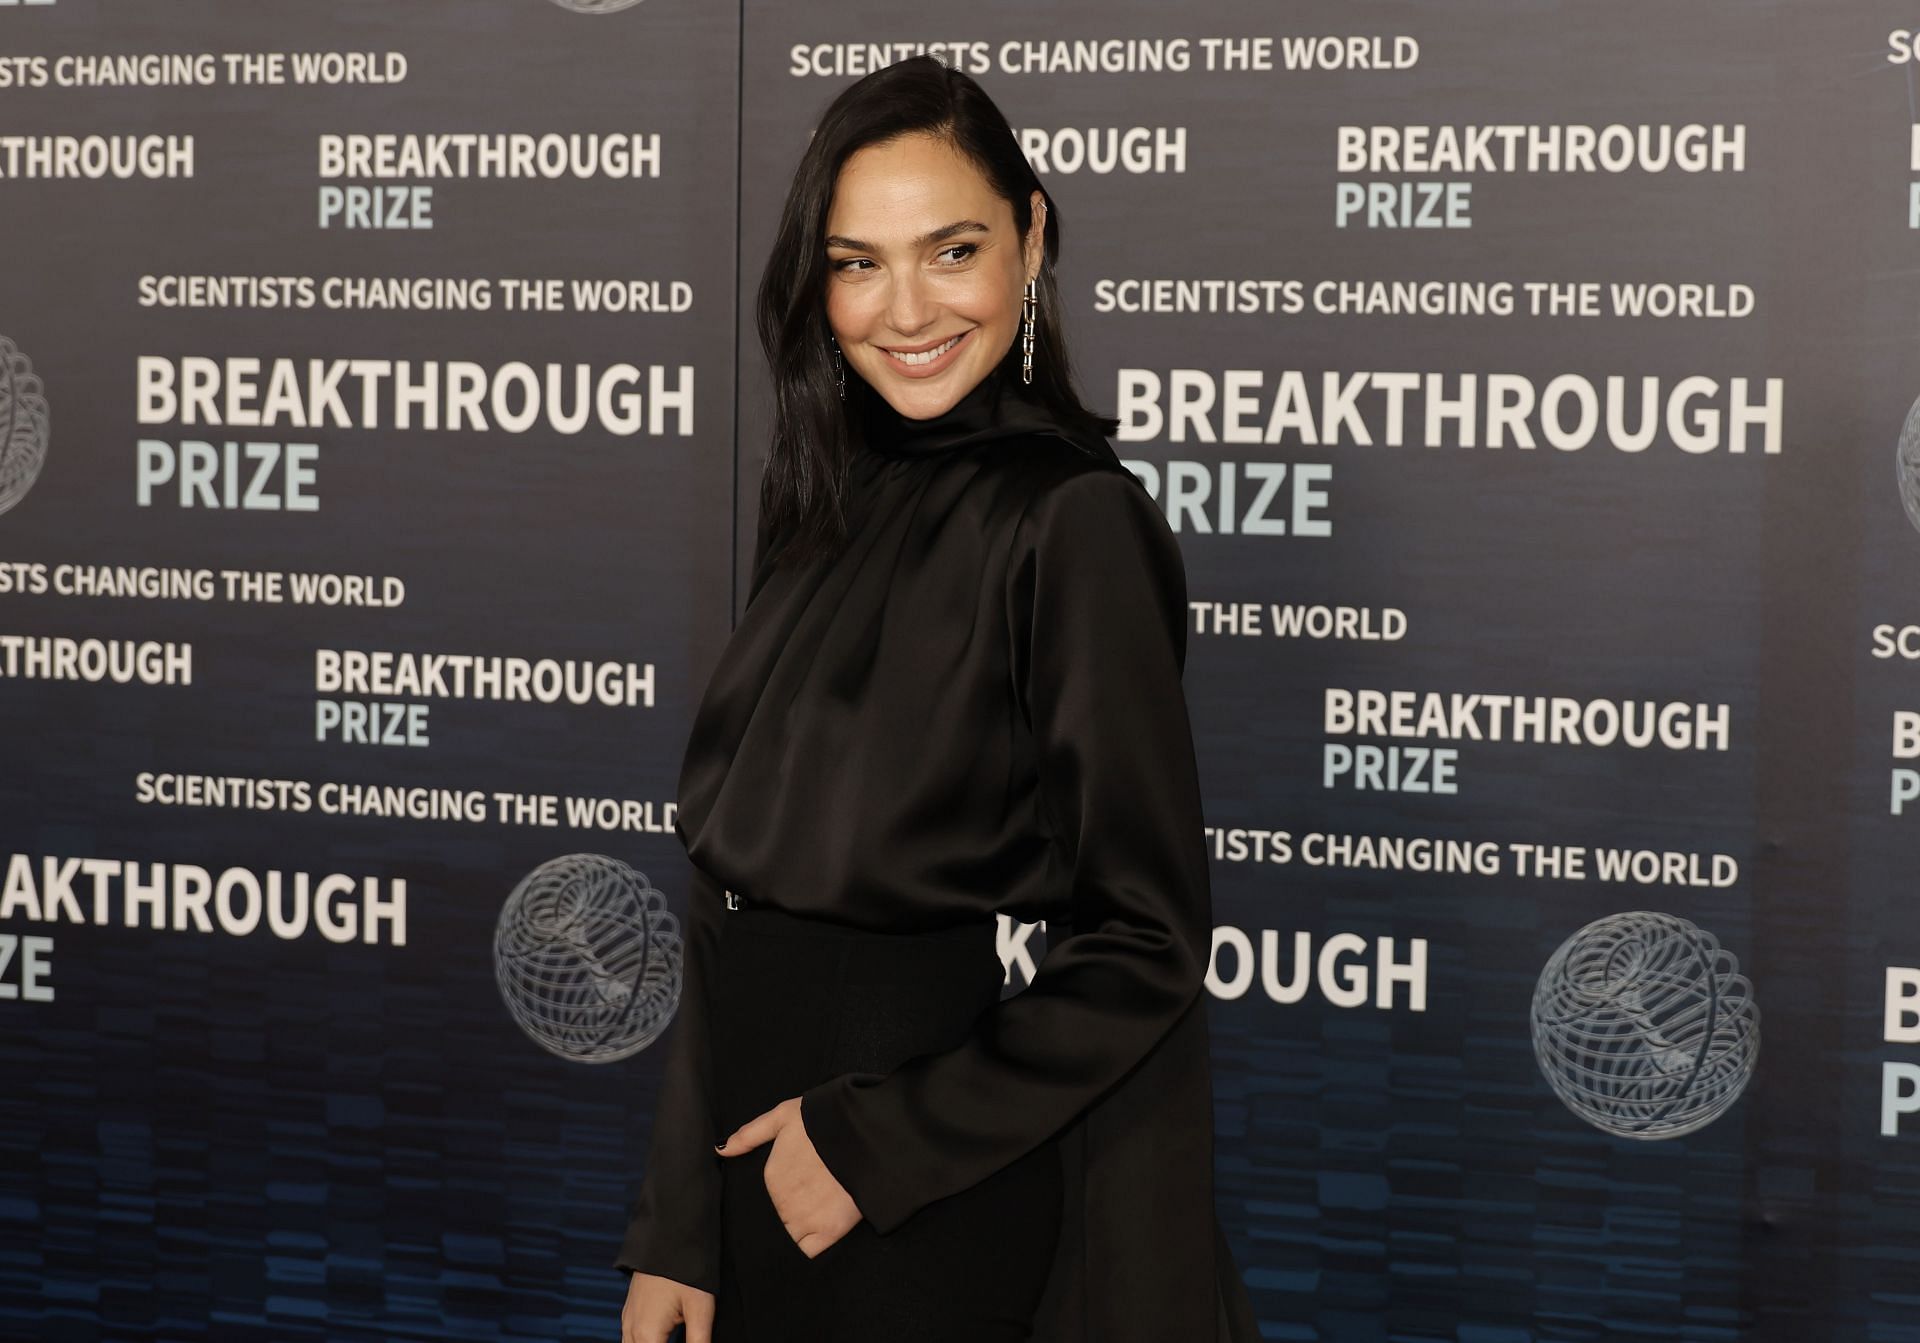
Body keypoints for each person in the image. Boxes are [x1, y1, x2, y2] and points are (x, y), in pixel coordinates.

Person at [613, 55, 1259, 1343]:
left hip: (930, 1205)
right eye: (857, 263)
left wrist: (874, 1142)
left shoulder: (1070, 522)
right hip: (762, 1195)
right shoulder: (819, 499)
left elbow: (1145, 940)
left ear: (1032, 236)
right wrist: (682, 1226)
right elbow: (729, 889)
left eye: (949, 250)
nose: (902, 309)